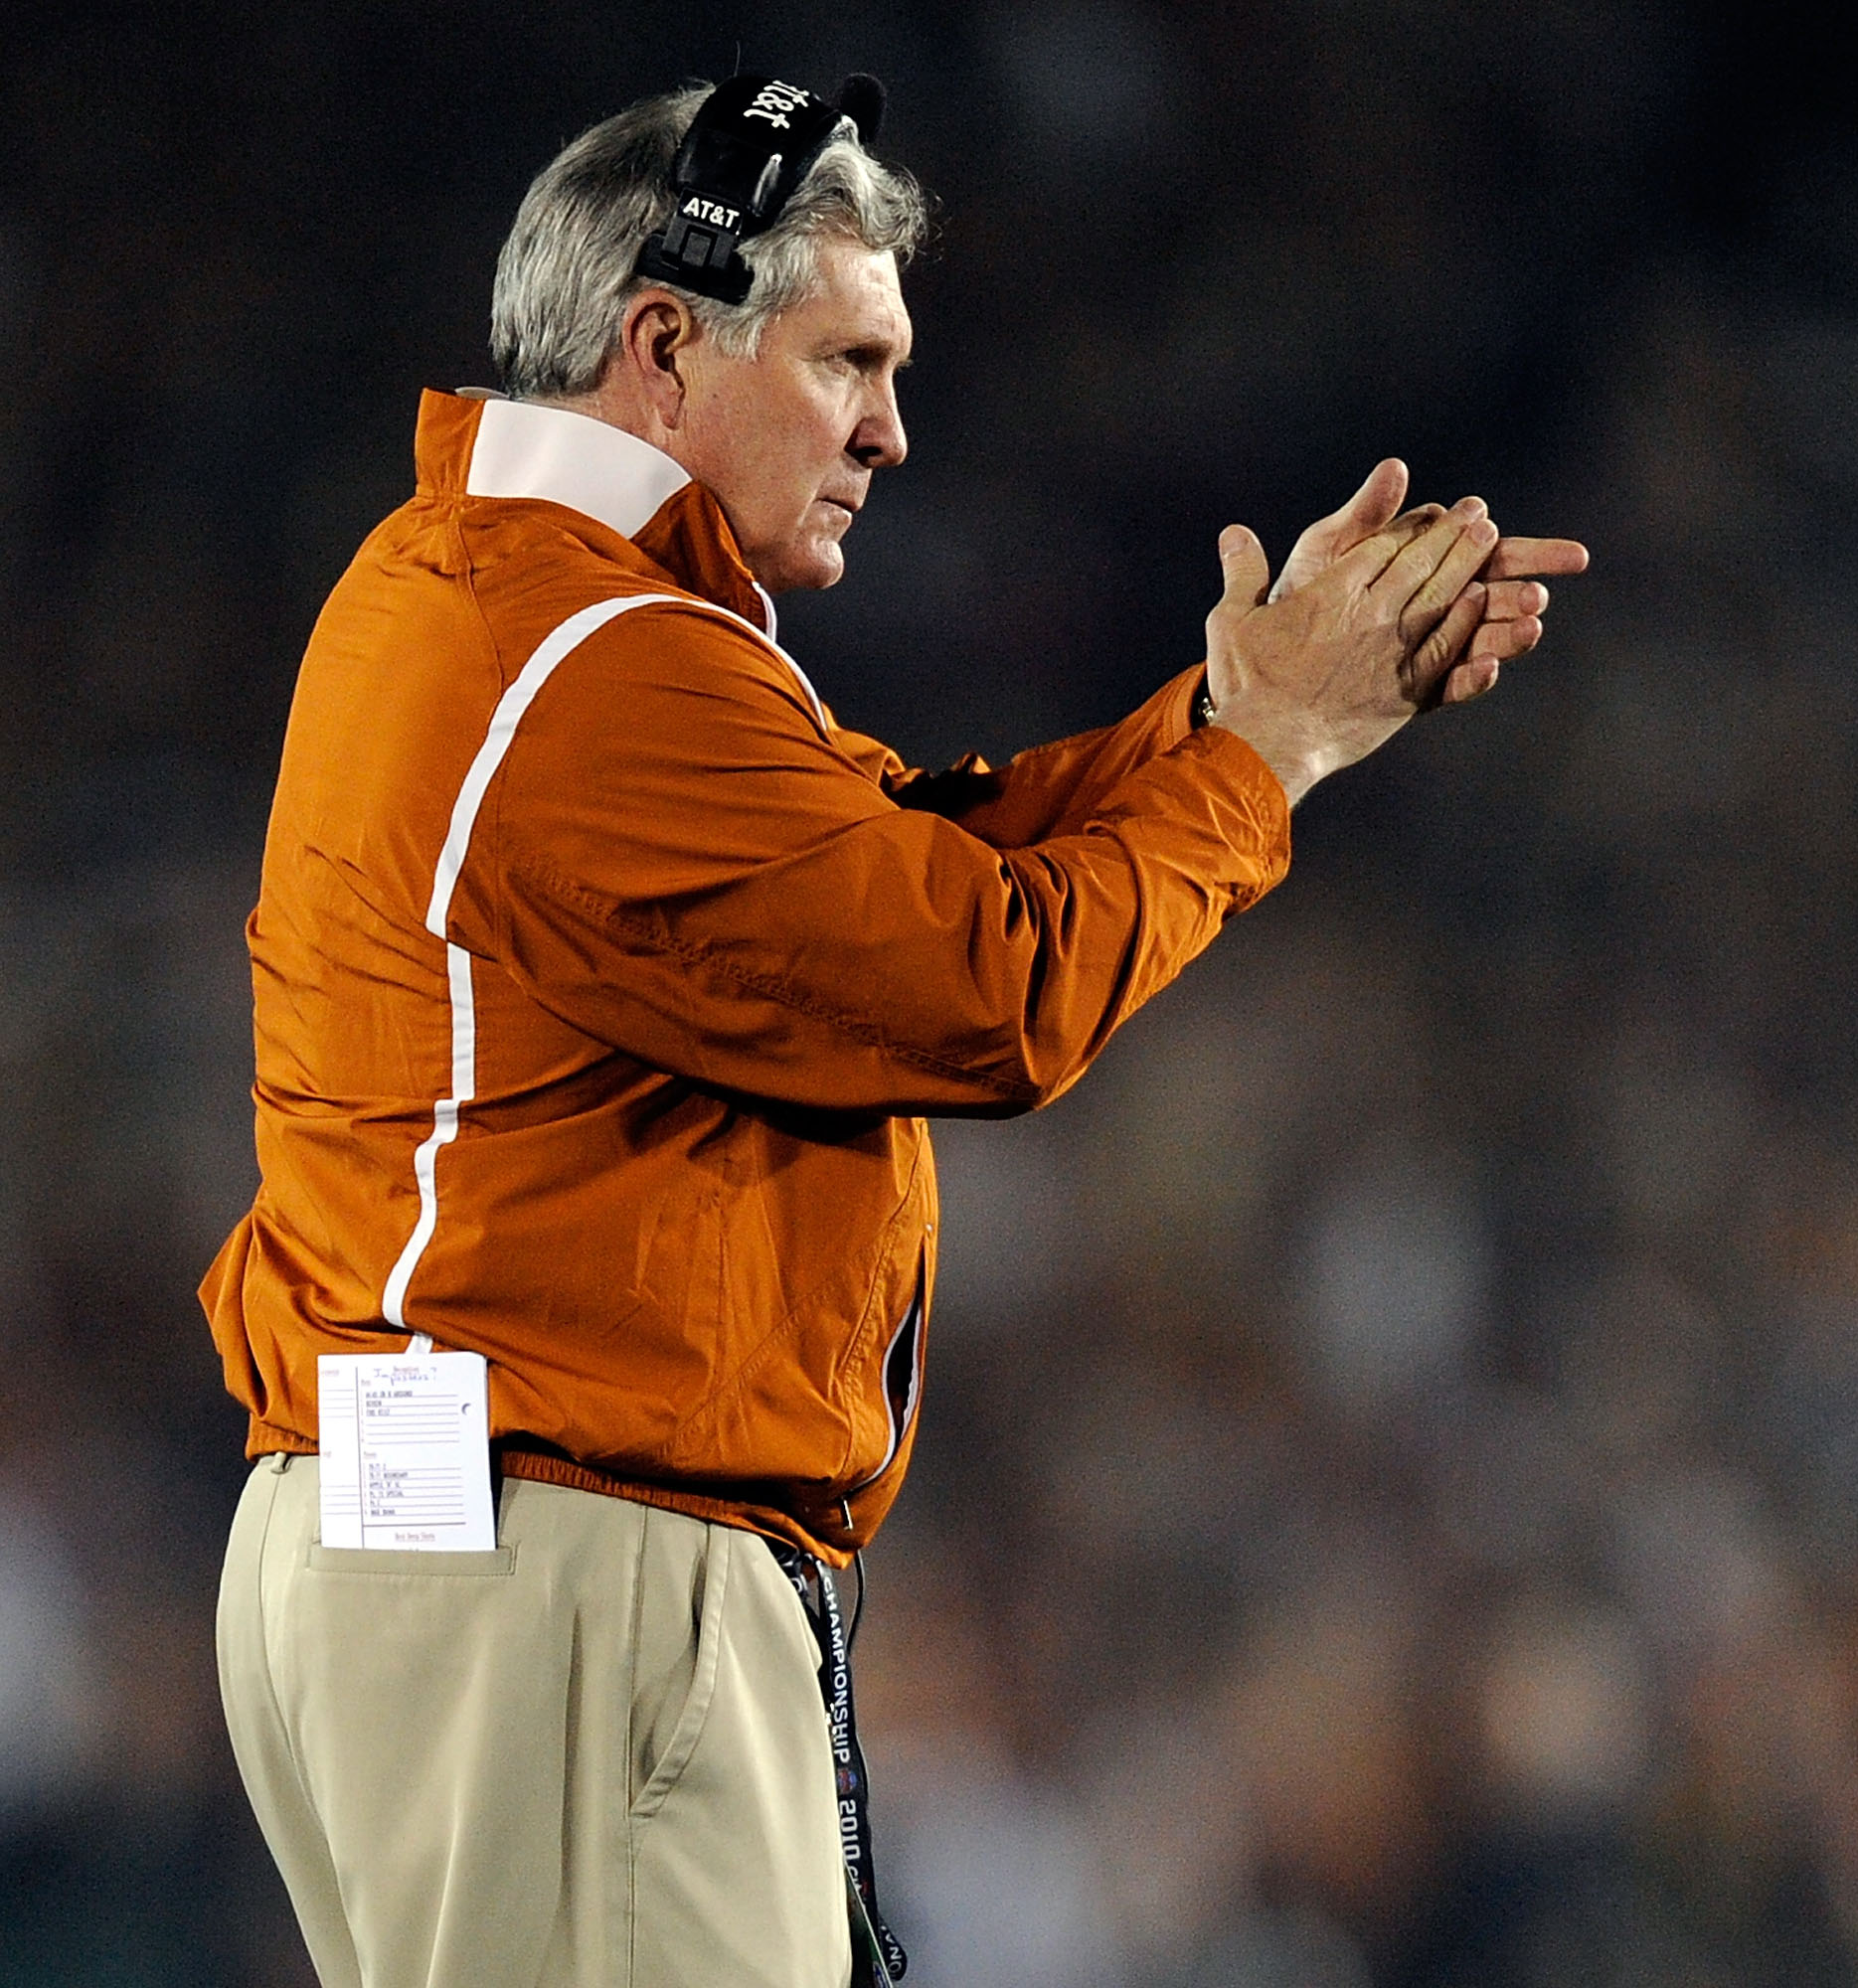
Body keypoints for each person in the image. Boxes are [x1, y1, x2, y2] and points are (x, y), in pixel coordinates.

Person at [201, 77, 1585, 1988]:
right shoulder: (586, 658)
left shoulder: (501, 603)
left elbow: (905, 852)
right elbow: (975, 981)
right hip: (556, 1562)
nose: (892, 428)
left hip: (459, 1540)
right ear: (663, 343)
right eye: (850, 359)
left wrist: (1255, 712)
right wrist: (1260, 762)